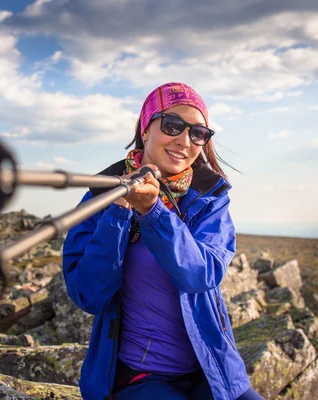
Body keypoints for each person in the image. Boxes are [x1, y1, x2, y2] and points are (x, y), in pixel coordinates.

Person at [62, 82, 265, 400]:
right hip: (140, 379)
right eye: (172, 125)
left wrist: (153, 212)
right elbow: (89, 295)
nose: (185, 141)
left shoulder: (210, 198)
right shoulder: (101, 195)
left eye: (198, 133)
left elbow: (202, 275)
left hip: (212, 372)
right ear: (145, 129)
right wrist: (118, 213)